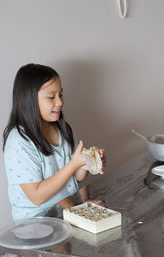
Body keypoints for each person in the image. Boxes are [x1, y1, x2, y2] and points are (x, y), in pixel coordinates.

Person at [3, 63, 105, 220]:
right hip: (35, 225)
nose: (60, 102)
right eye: (51, 97)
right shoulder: (18, 141)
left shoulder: (63, 129)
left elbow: (77, 177)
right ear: (28, 100)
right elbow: (37, 196)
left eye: (61, 95)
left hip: (65, 213)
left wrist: (87, 164)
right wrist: (73, 165)